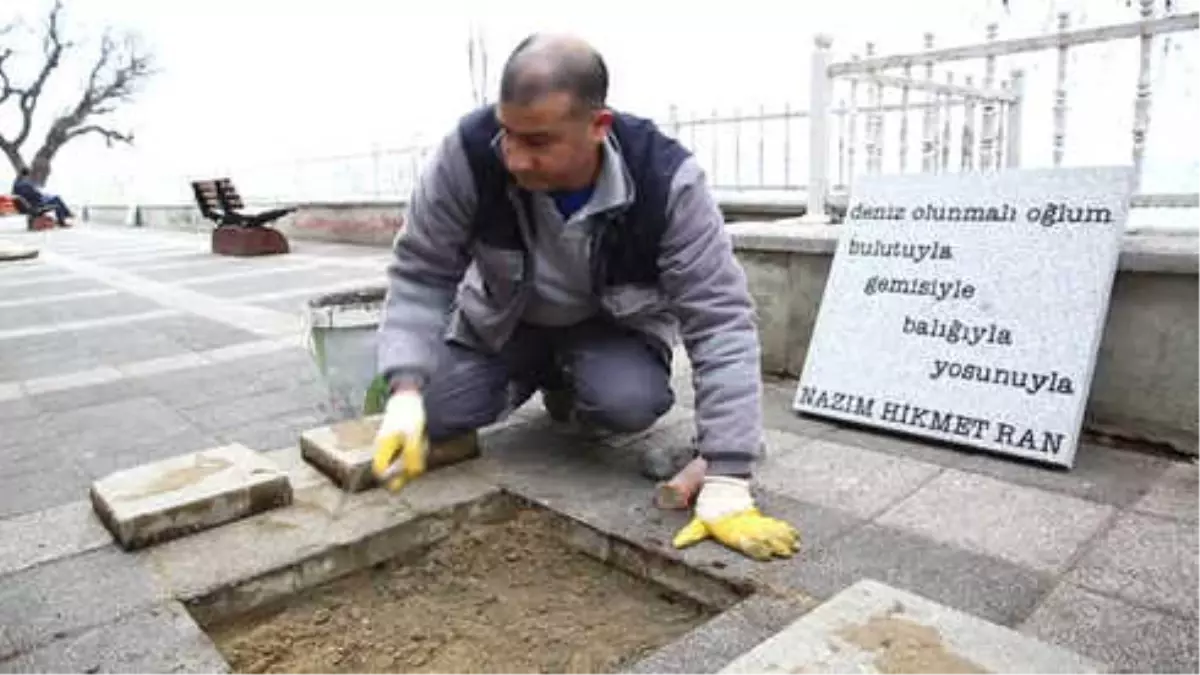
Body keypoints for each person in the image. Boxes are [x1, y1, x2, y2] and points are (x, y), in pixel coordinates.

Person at [371, 33, 799, 561]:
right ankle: (534, 375)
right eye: (509, 135)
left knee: (627, 402)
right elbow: (421, 272)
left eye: (539, 142)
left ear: (598, 127)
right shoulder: (468, 155)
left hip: (608, 329)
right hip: (509, 324)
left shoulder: (666, 182)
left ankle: (573, 386)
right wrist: (406, 389)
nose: (517, 159)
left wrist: (729, 475)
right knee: (436, 411)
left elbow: (721, 321)